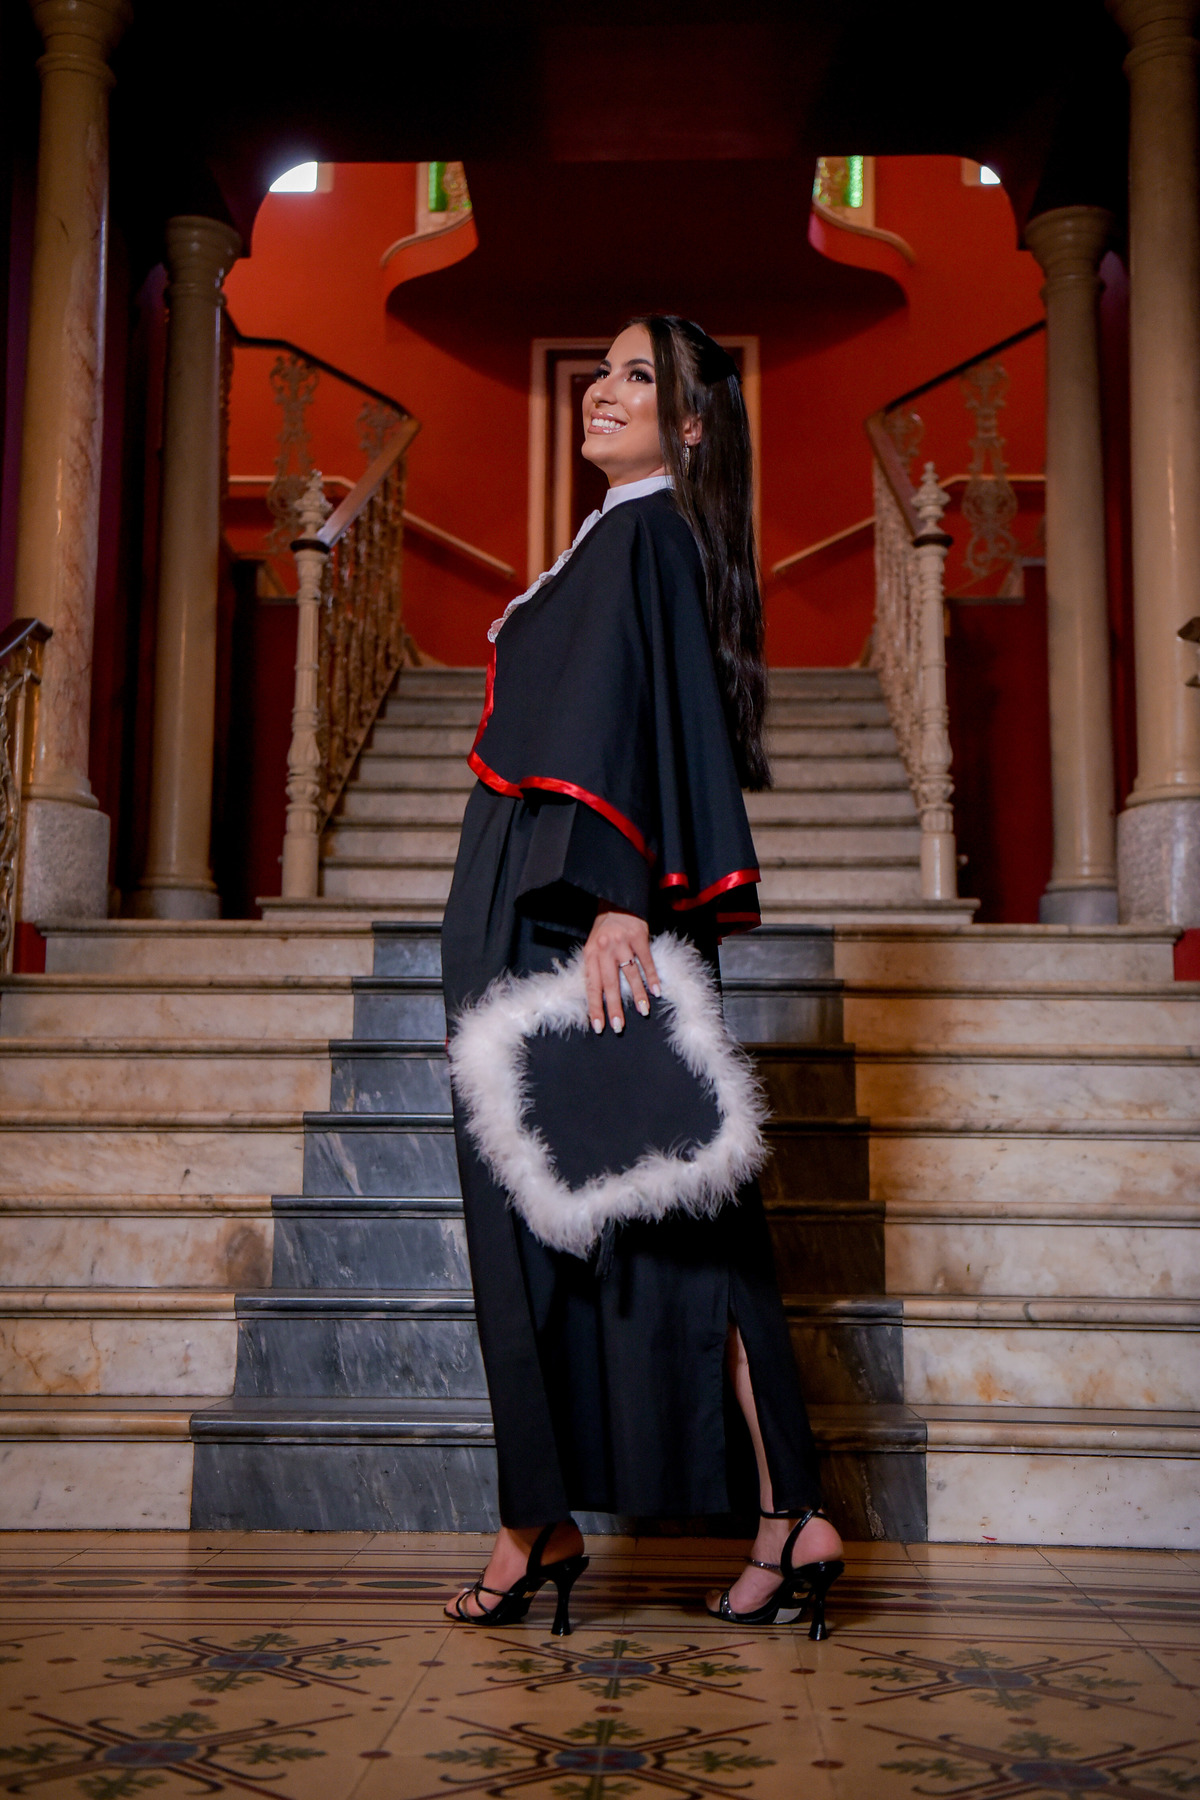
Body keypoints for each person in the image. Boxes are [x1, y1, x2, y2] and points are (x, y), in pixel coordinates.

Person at [440, 314, 844, 1636]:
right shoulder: (628, 536)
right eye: (601, 370)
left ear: (692, 423)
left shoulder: (645, 535)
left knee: (665, 1211)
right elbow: (641, 711)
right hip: (557, 894)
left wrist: (621, 898)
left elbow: (635, 724)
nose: (603, 391)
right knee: (675, 1210)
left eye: (638, 377)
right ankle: (781, 1509)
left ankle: (547, 1524)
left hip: (575, 907)